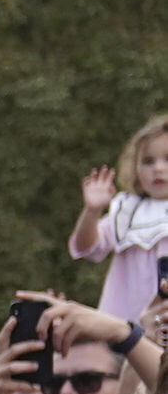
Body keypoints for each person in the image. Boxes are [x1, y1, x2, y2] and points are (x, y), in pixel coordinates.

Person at [69, 117, 168, 323]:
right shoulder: (127, 211)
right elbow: (87, 248)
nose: (158, 168)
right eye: (148, 161)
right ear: (136, 169)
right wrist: (92, 211)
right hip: (125, 330)